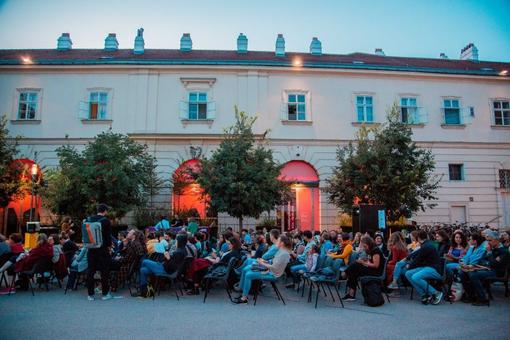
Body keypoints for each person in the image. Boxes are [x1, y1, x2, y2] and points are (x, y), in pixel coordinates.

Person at [232, 235, 292, 304]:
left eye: (278, 241)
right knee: (247, 271)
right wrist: (264, 261)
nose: (277, 242)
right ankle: (243, 294)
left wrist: (262, 263)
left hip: (273, 274)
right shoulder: (281, 251)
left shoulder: (284, 254)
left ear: (282, 243)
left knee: (248, 274)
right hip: (270, 271)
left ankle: (244, 298)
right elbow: (273, 262)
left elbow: (275, 267)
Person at [461, 231, 510, 306]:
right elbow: (483, 261)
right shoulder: (491, 248)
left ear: (497, 240)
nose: (488, 242)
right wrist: (472, 266)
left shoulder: (503, 251)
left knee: (473, 274)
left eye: (490, 240)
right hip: (487, 268)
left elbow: (493, 264)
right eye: (487, 240)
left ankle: (482, 298)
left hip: (497, 272)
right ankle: (471, 296)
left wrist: (489, 252)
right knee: (463, 272)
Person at [137, 234, 188, 298]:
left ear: (180, 242)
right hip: (166, 268)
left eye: (176, 241)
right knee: (143, 270)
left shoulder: (179, 252)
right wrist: (167, 257)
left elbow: (172, 266)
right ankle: (144, 291)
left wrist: (168, 258)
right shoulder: (183, 250)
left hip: (167, 270)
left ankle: (143, 289)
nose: (175, 242)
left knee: (144, 261)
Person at [404, 230, 443, 305]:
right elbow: (416, 254)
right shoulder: (426, 244)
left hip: (435, 269)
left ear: (418, 238)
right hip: (427, 267)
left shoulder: (426, 246)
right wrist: (408, 258)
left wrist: (409, 266)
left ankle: (436, 293)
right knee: (408, 274)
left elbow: (417, 260)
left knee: (415, 277)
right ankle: (424, 294)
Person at [342, 235, 384, 301]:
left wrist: (364, 263)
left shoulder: (376, 251)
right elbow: (370, 261)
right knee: (354, 271)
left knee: (356, 265)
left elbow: (376, 265)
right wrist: (365, 260)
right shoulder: (370, 250)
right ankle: (351, 294)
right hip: (371, 269)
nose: (364, 248)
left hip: (376, 272)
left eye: (365, 246)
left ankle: (345, 274)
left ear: (369, 244)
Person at [85, 203, 113, 301]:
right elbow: (108, 237)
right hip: (102, 249)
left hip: (91, 249)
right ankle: (105, 294)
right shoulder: (106, 221)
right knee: (104, 272)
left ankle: (90, 294)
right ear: (105, 211)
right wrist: (109, 247)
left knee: (90, 271)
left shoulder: (88, 219)